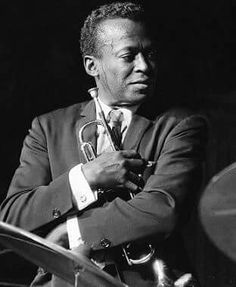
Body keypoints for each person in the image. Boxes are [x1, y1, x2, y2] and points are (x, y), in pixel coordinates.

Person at [0, 2, 208, 287]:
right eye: (129, 56)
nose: (144, 66)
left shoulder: (180, 123)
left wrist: (74, 231)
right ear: (92, 65)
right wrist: (85, 179)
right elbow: (12, 219)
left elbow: (164, 207)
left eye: (150, 53)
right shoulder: (47, 127)